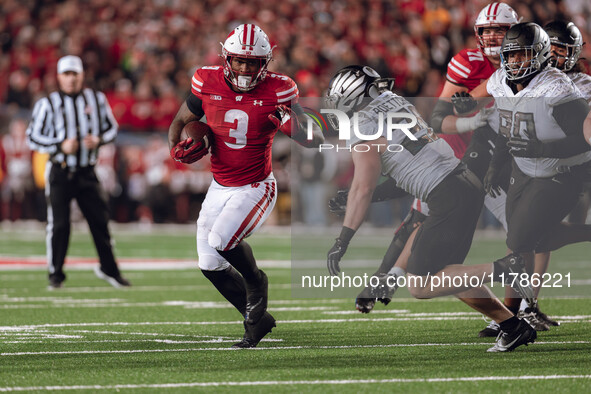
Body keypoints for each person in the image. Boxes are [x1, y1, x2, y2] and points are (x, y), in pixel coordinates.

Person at [325, 65, 536, 353]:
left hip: (447, 194)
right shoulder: (396, 103)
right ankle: (513, 327)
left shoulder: (362, 124)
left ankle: (504, 269)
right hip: (461, 185)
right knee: (448, 275)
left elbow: (364, 187)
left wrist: (342, 240)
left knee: (421, 286)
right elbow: (405, 177)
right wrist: (362, 196)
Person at [339, 2, 519, 315]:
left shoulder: (529, 67)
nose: (492, 36)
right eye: (486, 30)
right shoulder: (468, 62)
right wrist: (468, 120)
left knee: (521, 233)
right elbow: (439, 117)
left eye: (499, 29)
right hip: (462, 160)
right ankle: (513, 318)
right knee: (431, 243)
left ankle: (517, 306)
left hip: (498, 161)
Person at [168, 24, 322, 349]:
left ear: (264, 63)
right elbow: (181, 121)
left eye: (252, 62)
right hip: (219, 186)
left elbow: (314, 138)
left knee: (222, 240)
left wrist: (290, 124)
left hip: (256, 185)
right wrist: (176, 148)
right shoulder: (206, 80)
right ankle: (257, 319)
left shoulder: (280, 89)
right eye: (239, 60)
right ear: (227, 57)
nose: (244, 68)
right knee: (209, 263)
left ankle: (256, 282)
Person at [483, 22, 591, 333]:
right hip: (523, 169)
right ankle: (515, 312)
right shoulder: (499, 83)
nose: (515, 62)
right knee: (528, 240)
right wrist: (495, 164)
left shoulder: (557, 89)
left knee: (520, 240)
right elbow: (507, 128)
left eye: (523, 55)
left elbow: (581, 140)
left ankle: (510, 316)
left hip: (559, 173)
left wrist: (541, 147)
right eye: (511, 56)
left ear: (539, 55)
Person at [26, 55, 131, 290]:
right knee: (60, 224)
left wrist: (99, 139)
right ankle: (56, 274)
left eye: (75, 74)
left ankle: (109, 269)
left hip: (87, 171)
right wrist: (59, 144)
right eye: (67, 74)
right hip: (60, 171)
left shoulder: (96, 99)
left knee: (100, 222)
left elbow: (112, 129)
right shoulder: (48, 103)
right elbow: (32, 136)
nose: (71, 79)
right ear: (59, 77)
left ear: (82, 75)